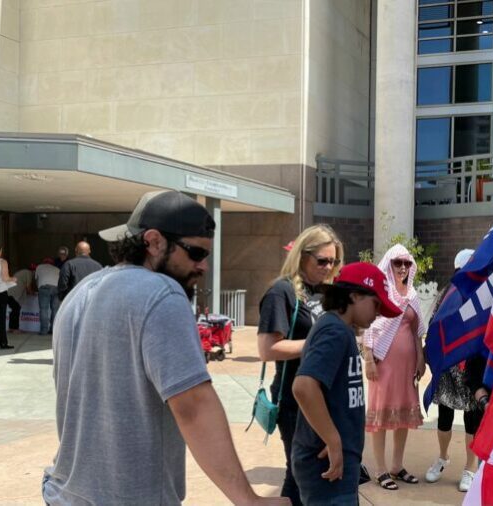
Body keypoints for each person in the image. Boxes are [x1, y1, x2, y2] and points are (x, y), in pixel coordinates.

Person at [42, 190, 287, 506]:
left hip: (64, 494)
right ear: (155, 241)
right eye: (196, 253)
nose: (203, 267)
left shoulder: (81, 292)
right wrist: (248, 499)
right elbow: (194, 405)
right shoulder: (161, 294)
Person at [292, 262, 402, 505]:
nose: (378, 314)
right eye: (376, 304)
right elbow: (304, 386)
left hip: (338, 462)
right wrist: (333, 441)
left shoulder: (339, 329)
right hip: (327, 464)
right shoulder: (335, 331)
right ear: (354, 296)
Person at [257, 225, 344, 504]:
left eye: (333, 261)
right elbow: (267, 349)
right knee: (300, 473)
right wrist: (316, 345)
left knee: (308, 472)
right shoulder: (281, 292)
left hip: (325, 396)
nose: (328, 266)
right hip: (295, 401)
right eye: (322, 260)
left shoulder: (325, 291)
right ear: (302, 256)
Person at [362, 244, 427, 490]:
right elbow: (368, 326)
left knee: (402, 413)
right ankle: (380, 470)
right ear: (389, 263)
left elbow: (417, 329)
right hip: (383, 363)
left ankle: (397, 466)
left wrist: (420, 358)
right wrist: (368, 358)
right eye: (397, 263)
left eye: (407, 263)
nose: (402, 267)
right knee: (381, 413)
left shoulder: (412, 294)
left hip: (407, 364)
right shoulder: (379, 292)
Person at [425, 248, 482, 492]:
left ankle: (470, 467)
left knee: (472, 419)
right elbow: (433, 326)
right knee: (445, 416)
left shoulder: (483, 295)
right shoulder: (445, 296)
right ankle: (442, 457)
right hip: (449, 368)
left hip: (471, 367)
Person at [0, 243, 17, 349]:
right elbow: (5, 278)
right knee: (0, 318)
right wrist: (13, 279)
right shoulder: (2, 262)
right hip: (0, 292)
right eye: (1, 251)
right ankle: (2, 343)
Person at [34, 258, 60, 335]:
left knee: (44, 309)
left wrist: (38, 288)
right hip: (56, 289)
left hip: (44, 288)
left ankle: (44, 331)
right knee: (55, 310)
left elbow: (36, 279)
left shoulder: (39, 267)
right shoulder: (57, 269)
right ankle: (53, 330)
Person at [6, 266, 35, 332]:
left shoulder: (21, 272)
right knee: (16, 310)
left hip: (8, 292)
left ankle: (11, 328)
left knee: (14, 310)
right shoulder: (29, 273)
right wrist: (32, 293)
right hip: (13, 294)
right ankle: (15, 329)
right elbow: (28, 287)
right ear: (33, 271)